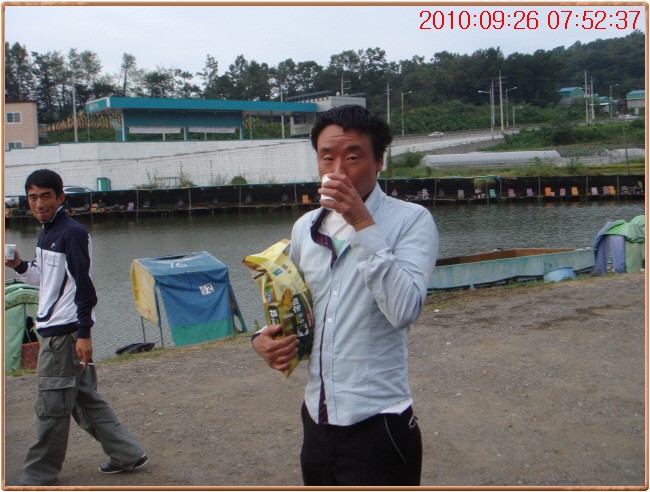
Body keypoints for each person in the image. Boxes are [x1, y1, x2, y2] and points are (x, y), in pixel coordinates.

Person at [251, 105, 438, 486]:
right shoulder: (305, 227)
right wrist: (263, 340)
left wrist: (362, 223)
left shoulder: (412, 221)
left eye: (352, 157)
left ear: (379, 161)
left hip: (379, 422)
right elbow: (295, 306)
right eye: (327, 157)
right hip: (316, 420)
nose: (337, 171)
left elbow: (404, 310)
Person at [5, 169, 148, 486]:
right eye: (32, 197)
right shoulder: (47, 233)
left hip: (64, 335)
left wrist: (84, 334)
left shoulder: (72, 233)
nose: (39, 204)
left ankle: (38, 476)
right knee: (85, 400)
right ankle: (127, 454)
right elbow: (43, 277)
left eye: (45, 196)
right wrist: (19, 265)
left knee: (51, 407)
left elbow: (85, 287)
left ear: (60, 198)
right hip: (59, 331)